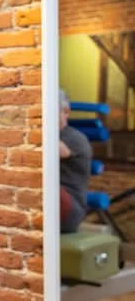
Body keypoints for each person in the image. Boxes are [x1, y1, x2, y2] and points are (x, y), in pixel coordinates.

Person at [60, 89, 93, 233]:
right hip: (50, 204)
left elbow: (51, 152)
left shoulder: (75, 138)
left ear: (66, 111)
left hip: (71, 209)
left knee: (45, 188)